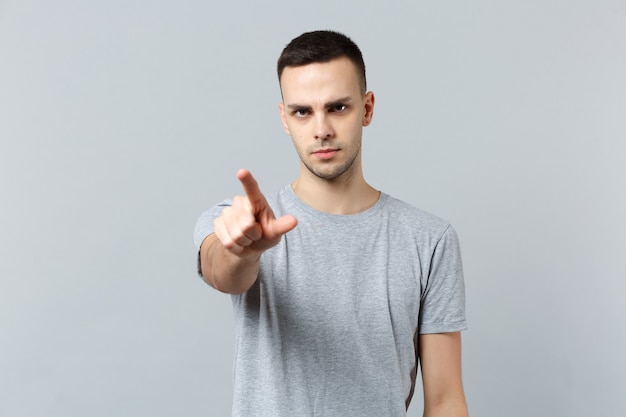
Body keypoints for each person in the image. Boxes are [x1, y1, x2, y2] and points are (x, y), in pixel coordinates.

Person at [194, 30, 468, 417]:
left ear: (368, 108)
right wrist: (242, 252)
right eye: (302, 111)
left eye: (337, 108)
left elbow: (445, 400)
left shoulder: (429, 240)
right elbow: (223, 272)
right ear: (284, 119)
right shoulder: (242, 222)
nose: (320, 129)